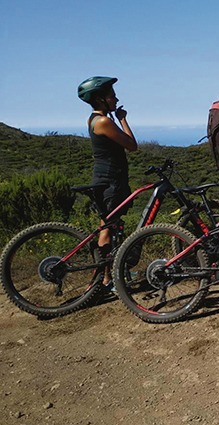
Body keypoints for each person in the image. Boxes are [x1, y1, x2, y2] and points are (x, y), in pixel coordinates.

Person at [77, 76, 138, 288]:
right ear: (100, 99)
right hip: (111, 180)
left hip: (105, 177)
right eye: (112, 95)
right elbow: (131, 145)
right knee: (107, 229)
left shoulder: (93, 119)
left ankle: (110, 274)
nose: (116, 98)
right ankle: (103, 280)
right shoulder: (104, 121)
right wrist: (122, 119)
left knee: (109, 226)